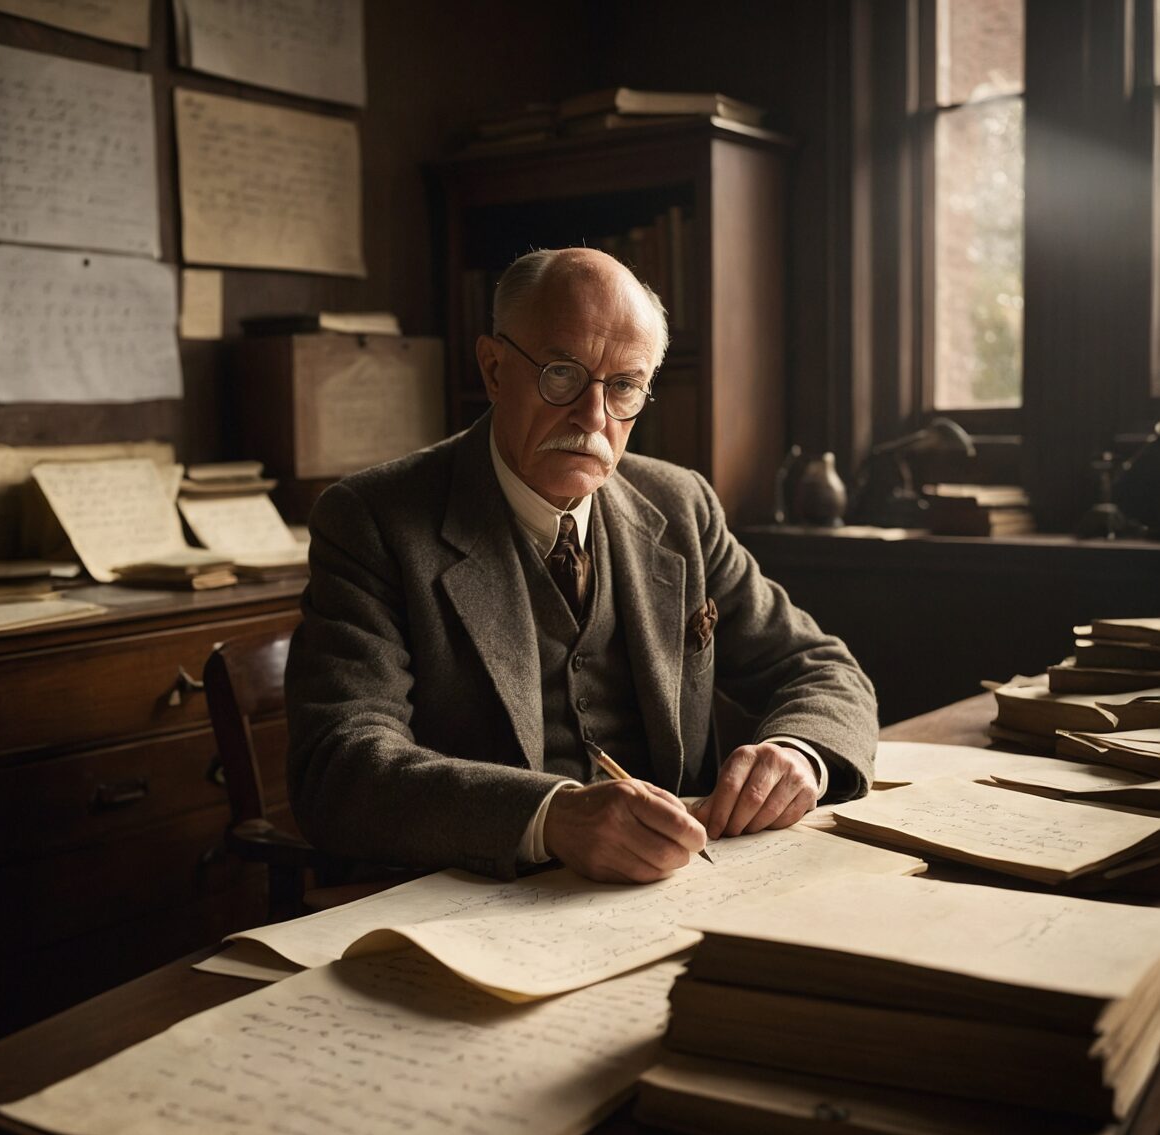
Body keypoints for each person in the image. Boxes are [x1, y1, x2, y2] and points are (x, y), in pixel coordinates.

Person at [286, 247, 876, 884]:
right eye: (561, 374)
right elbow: (339, 767)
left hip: (684, 886)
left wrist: (798, 753)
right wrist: (550, 817)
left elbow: (822, 669)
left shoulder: (680, 505)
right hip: (475, 899)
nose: (594, 417)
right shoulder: (373, 520)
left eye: (623, 386)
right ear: (492, 368)